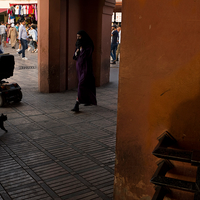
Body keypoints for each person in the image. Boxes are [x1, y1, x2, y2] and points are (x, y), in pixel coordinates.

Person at [71, 30, 97, 112]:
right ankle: (88, 100)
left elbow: (86, 56)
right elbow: (75, 56)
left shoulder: (88, 45)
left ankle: (77, 103)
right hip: (79, 67)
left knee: (81, 84)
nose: (78, 38)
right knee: (85, 84)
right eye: (77, 37)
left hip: (86, 67)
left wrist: (81, 50)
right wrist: (77, 52)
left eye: (79, 37)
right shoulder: (78, 44)